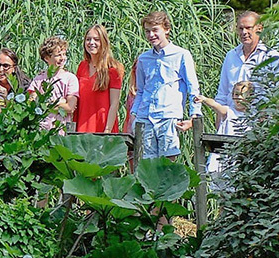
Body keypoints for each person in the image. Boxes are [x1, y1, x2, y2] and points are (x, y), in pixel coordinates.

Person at [130, 11, 201, 160]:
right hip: (145, 117)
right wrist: (133, 114)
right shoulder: (144, 59)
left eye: (155, 30)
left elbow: (193, 88)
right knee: (146, 168)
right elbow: (141, 91)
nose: (151, 35)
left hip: (168, 117)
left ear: (166, 29)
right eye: (147, 31)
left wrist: (193, 117)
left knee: (168, 166)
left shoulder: (181, 55)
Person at [214, 11, 278, 127]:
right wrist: (219, 124)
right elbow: (222, 93)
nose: (244, 32)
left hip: (257, 124)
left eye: (248, 28)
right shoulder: (231, 56)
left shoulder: (270, 57)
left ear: (259, 28)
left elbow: (275, 94)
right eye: (240, 28)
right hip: (230, 123)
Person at [74, 25, 124, 133]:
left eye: (96, 39)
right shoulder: (82, 66)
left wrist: (107, 130)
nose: (91, 43)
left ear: (103, 42)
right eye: (88, 39)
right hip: (82, 124)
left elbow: (114, 103)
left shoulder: (114, 68)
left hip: (102, 125)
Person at [27, 36, 79, 133]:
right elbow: (32, 103)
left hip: (61, 129)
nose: (62, 58)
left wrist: (45, 104)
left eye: (64, 54)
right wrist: (60, 103)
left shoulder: (70, 78)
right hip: (41, 129)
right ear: (47, 58)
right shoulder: (39, 79)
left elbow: (70, 107)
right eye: (58, 55)